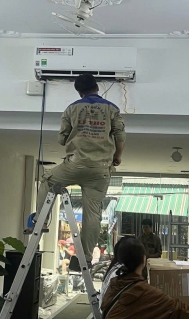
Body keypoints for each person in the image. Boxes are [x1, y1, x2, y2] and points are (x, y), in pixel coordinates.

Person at [31, 73, 126, 260]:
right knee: (93, 214)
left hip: (74, 165)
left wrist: (77, 134)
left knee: (48, 181)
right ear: (96, 87)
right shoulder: (112, 109)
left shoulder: (71, 109)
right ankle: (86, 257)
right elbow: (120, 136)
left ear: (79, 92)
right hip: (100, 170)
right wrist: (117, 156)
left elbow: (61, 139)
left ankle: (41, 222)